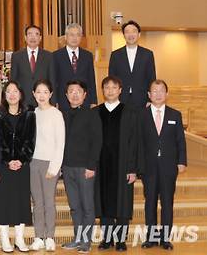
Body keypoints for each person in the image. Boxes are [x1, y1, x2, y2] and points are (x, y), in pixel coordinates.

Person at [94, 76, 144, 252]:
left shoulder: (130, 112)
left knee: (122, 203)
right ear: (103, 90)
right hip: (102, 166)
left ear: (120, 90)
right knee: (104, 201)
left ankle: (121, 240)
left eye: (114, 87)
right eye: (106, 87)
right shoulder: (96, 112)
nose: (110, 90)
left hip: (123, 165)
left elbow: (135, 142)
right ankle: (107, 239)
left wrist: (133, 169)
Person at [0, 80, 36, 253]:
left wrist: (21, 160)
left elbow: (31, 140)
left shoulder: (29, 113)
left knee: (21, 201)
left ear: (21, 94)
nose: (12, 94)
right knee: (3, 201)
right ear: (4, 95)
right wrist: (7, 160)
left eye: (15, 91)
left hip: (22, 166)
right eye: (8, 91)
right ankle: (4, 239)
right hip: (3, 164)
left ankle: (19, 238)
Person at [141, 80, 187, 250]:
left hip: (169, 166)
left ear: (167, 94)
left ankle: (165, 239)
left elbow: (180, 141)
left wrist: (181, 161)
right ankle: (151, 238)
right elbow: (139, 142)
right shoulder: (142, 115)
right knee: (150, 201)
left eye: (161, 91)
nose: (158, 94)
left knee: (167, 202)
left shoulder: (175, 115)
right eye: (154, 91)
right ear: (149, 94)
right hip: (148, 166)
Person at [59, 81, 102, 254]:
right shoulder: (62, 114)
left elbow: (97, 141)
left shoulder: (92, 114)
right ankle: (77, 238)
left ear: (85, 95)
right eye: (71, 91)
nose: (75, 94)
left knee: (87, 206)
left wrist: (91, 165)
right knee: (75, 206)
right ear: (66, 95)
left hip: (85, 167)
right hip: (68, 167)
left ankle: (86, 240)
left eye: (78, 91)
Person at [29, 79, 65, 251]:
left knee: (49, 201)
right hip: (33, 162)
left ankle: (50, 236)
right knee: (37, 202)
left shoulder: (56, 114)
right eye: (38, 92)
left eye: (45, 92)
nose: (41, 95)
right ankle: (38, 237)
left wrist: (54, 167)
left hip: (50, 163)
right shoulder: (32, 113)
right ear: (33, 94)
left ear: (50, 94)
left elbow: (60, 143)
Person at [108, 20, 156, 108]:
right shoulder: (115, 55)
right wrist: (113, 98)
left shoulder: (148, 54)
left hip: (142, 99)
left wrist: (150, 100)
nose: (130, 35)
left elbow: (151, 78)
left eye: (134, 31)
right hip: (121, 99)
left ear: (139, 34)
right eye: (127, 32)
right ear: (124, 35)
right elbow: (112, 79)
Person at [52, 23, 97, 110]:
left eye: (78, 35)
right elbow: (54, 81)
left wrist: (94, 101)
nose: (74, 38)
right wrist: (54, 101)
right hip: (62, 101)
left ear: (81, 37)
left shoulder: (88, 55)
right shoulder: (56, 56)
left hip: (84, 101)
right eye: (71, 35)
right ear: (66, 37)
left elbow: (91, 80)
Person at [9, 24, 56, 107]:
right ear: (25, 37)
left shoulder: (49, 56)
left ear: (40, 38)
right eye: (30, 34)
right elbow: (13, 80)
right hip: (22, 101)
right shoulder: (16, 56)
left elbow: (52, 80)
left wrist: (53, 102)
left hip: (43, 101)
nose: (33, 37)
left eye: (36, 34)